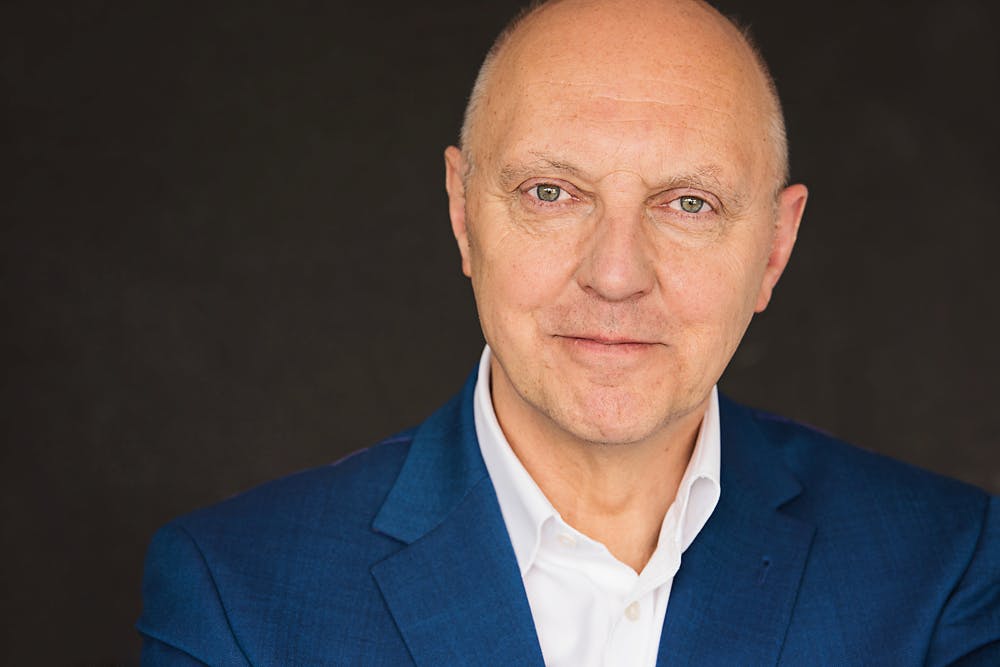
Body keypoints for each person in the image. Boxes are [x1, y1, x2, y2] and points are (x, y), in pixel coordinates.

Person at [137, 0, 999, 664]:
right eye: (551, 192)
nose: (615, 274)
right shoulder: (236, 595)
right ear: (463, 213)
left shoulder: (946, 567)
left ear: (775, 247)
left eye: (688, 203)